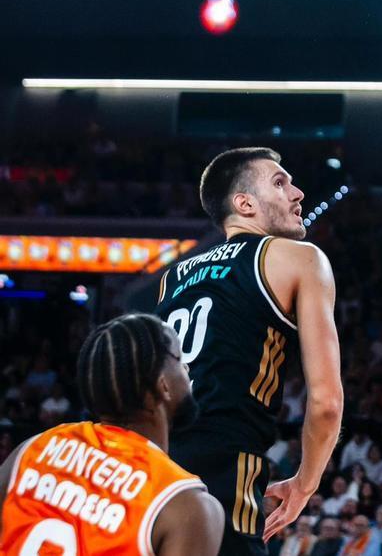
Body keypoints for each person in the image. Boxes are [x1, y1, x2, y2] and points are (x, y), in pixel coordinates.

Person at [155, 147, 344, 554]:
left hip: (154, 461)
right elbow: (327, 402)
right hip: (225, 461)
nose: (298, 193)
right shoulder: (300, 258)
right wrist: (305, 483)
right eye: (280, 182)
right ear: (245, 204)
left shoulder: (173, 277)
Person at [0, 314, 224, 555]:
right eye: (179, 359)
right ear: (163, 385)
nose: (186, 367)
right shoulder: (186, 505)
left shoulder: (31, 450)